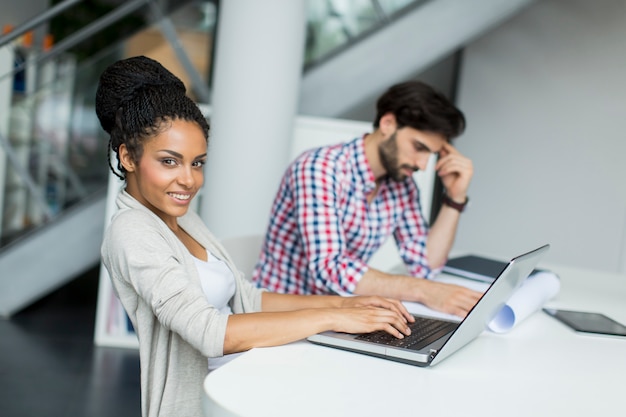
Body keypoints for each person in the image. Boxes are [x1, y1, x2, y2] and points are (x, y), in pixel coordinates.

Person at [95, 56, 414, 417]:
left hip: (251, 378)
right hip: (208, 403)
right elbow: (210, 333)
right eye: (170, 161)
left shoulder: (180, 218)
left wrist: (342, 304)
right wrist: (334, 319)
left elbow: (248, 298)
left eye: (197, 162)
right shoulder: (131, 232)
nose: (189, 180)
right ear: (128, 157)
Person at [253, 80, 483, 317]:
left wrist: (454, 198)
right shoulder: (319, 169)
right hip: (281, 318)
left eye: (431, 155)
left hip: (341, 316)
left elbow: (424, 266)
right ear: (388, 123)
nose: (423, 165)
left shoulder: (402, 186)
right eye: (418, 147)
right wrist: (426, 291)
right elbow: (330, 269)